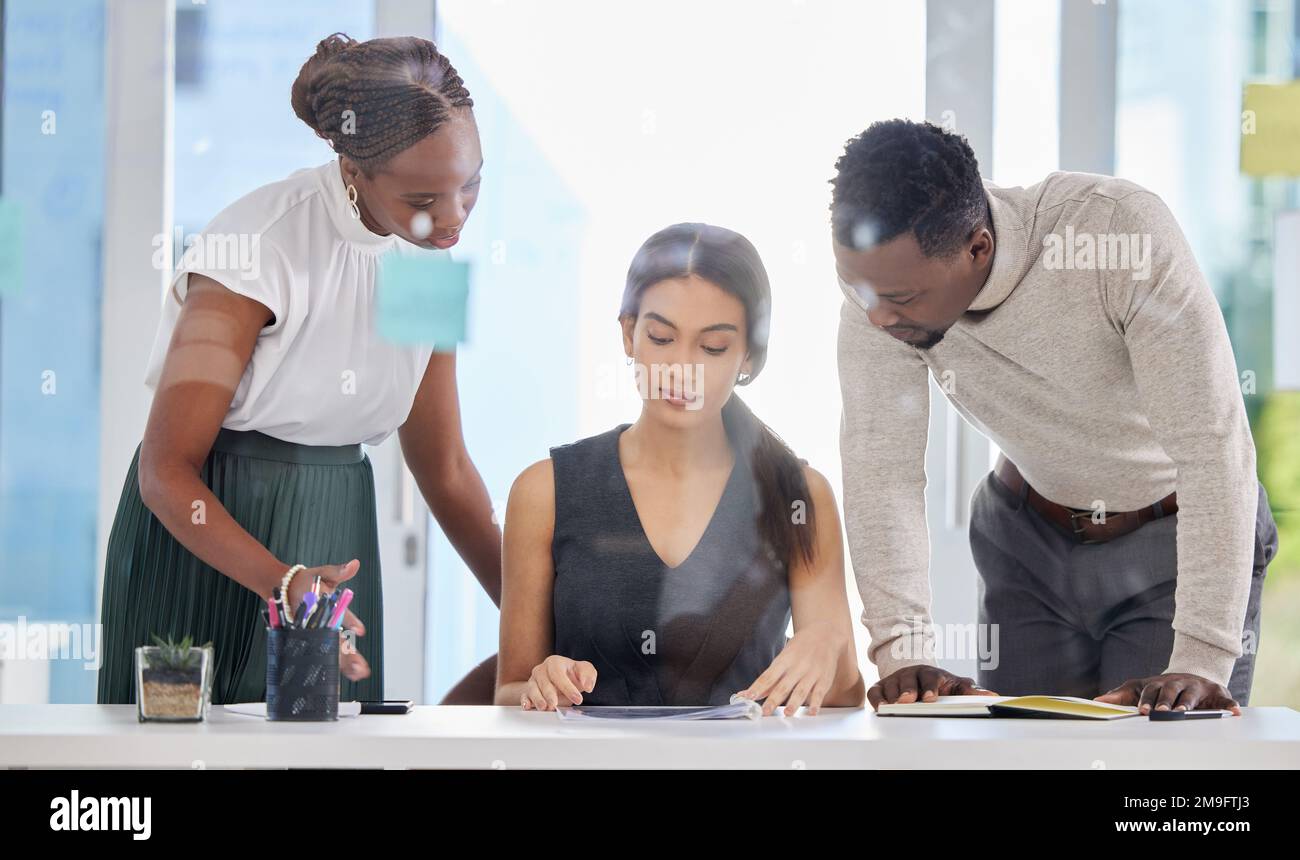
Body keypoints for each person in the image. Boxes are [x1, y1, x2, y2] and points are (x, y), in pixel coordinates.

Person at [98, 33, 501, 705]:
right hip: (209, 537)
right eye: (424, 197)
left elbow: (446, 468)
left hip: (334, 533)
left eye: (472, 183)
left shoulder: (427, 269)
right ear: (352, 168)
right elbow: (164, 472)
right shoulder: (256, 249)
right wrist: (283, 582)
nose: (454, 217)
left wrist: (534, 617)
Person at [830, 119, 1277, 715]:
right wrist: (901, 651)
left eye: (902, 300)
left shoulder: (1118, 233)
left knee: (1154, 779)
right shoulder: (880, 291)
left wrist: (1199, 657)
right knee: (1028, 761)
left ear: (978, 247)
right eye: (858, 290)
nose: (877, 318)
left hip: (1170, 546)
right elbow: (881, 468)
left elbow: (1213, 448)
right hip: (1026, 542)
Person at [496, 223, 865, 715]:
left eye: (712, 347)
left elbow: (843, 696)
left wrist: (828, 642)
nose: (682, 369)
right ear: (628, 334)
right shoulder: (545, 492)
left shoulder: (797, 494)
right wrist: (538, 685)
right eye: (662, 338)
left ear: (748, 356)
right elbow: (508, 692)